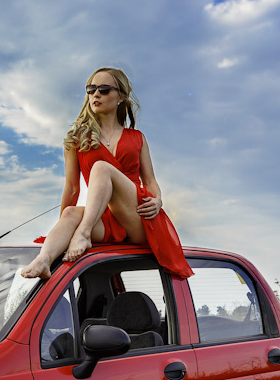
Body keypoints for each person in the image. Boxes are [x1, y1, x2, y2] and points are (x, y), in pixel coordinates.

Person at [21, 67, 193, 280]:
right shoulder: (77, 139)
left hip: (138, 217)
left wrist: (158, 200)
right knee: (70, 214)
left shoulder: (137, 138)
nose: (96, 95)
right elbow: (73, 188)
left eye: (103, 89)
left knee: (101, 168)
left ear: (120, 96)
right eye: (91, 89)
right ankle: (44, 260)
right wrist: (64, 229)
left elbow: (150, 180)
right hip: (101, 218)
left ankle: (83, 234)